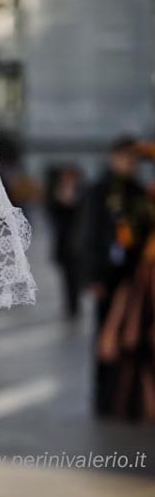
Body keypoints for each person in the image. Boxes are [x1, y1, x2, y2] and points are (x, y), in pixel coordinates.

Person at [81, 136, 147, 417]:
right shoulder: (99, 190)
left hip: (135, 274)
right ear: (113, 158)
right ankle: (105, 399)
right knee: (106, 333)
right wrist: (92, 277)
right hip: (107, 275)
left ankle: (127, 397)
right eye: (124, 157)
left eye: (133, 159)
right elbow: (88, 233)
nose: (129, 163)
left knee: (133, 336)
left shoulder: (138, 191)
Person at [44, 163, 84, 318]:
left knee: (76, 275)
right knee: (67, 276)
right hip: (63, 242)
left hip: (79, 242)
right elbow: (51, 213)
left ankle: (75, 303)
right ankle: (70, 304)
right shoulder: (54, 194)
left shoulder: (83, 194)